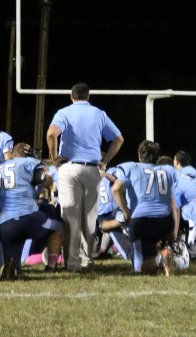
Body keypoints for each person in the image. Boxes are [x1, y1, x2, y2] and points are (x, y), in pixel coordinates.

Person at [46, 82, 124, 273]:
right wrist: (104, 161)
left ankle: (72, 263)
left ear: (71, 97)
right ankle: (86, 261)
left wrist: (54, 158)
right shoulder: (99, 113)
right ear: (89, 96)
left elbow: (51, 134)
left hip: (69, 167)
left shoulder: (64, 113)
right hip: (92, 169)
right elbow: (118, 139)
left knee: (70, 217)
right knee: (89, 218)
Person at [0, 142, 64, 278]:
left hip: (4, 224)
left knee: (10, 262)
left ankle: (10, 268)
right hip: (28, 219)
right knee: (58, 226)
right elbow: (47, 181)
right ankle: (51, 266)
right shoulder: (28, 162)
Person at [111, 140, 179, 275]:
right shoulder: (168, 170)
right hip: (165, 220)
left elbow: (116, 189)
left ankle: (159, 260)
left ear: (140, 155)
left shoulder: (132, 168)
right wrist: (174, 227)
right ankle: (163, 257)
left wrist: (126, 212)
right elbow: (173, 202)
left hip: (142, 222)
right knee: (154, 254)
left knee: (140, 268)